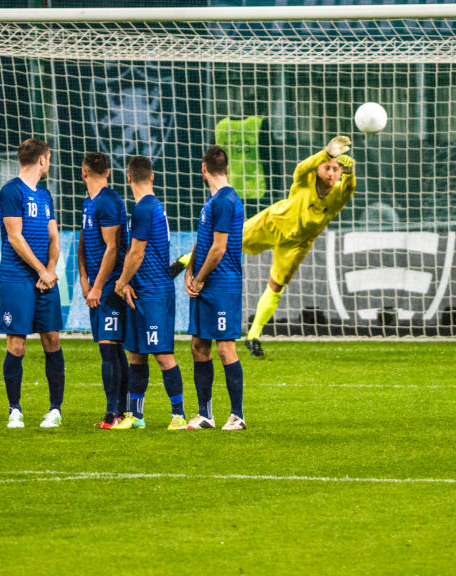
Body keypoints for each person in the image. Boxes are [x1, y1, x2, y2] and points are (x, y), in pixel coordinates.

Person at [243, 136, 355, 358]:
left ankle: (253, 336)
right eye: (327, 168)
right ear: (318, 169)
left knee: (276, 286)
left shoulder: (339, 194)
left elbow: (349, 189)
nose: (332, 173)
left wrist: (350, 173)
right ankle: (183, 262)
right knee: (227, 243)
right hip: (272, 223)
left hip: (297, 244)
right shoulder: (304, 180)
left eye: (336, 169)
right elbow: (302, 166)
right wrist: (326, 152)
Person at [112, 156, 187, 431]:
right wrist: (129, 283)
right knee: (136, 354)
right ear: (152, 177)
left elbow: (137, 252)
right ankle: (136, 415)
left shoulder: (144, 208)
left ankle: (178, 415)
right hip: (142, 290)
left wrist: (121, 282)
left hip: (154, 291)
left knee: (162, 354)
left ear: (128, 178)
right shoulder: (153, 206)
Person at [0, 138, 65, 429]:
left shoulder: (45, 195)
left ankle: (55, 410)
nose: (49, 163)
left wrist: (49, 270)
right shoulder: (11, 191)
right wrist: (41, 270)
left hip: (43, 279)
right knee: (17, 345)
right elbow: (15, 237)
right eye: (48, 158)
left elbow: (53, 237)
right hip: (17, 278)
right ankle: (15, 410)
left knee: (53, 341)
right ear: (42, 159)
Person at [182, 146, 246, 431]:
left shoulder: (225, 201)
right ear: (227, 168)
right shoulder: (212, 202)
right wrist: (190, 269)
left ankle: (237, 415)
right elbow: (204, 240)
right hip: (208, 282)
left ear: (203, 168)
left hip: (222, 284)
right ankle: (205, 414)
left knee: (225, 347)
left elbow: (219, 249)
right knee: (198, 346)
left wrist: (200, 278)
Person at [76, 152, 131, 429]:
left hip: (110, 288)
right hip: (97, 287)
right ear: (107, 172)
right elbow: (83, 242)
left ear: (83, 172)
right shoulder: (89, 203)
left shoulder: (109, 201)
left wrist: (97, 286)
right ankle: (118, 411)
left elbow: (112, 248)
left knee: (111, 350)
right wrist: (83, 278)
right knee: (109, 349)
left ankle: (116, 413)